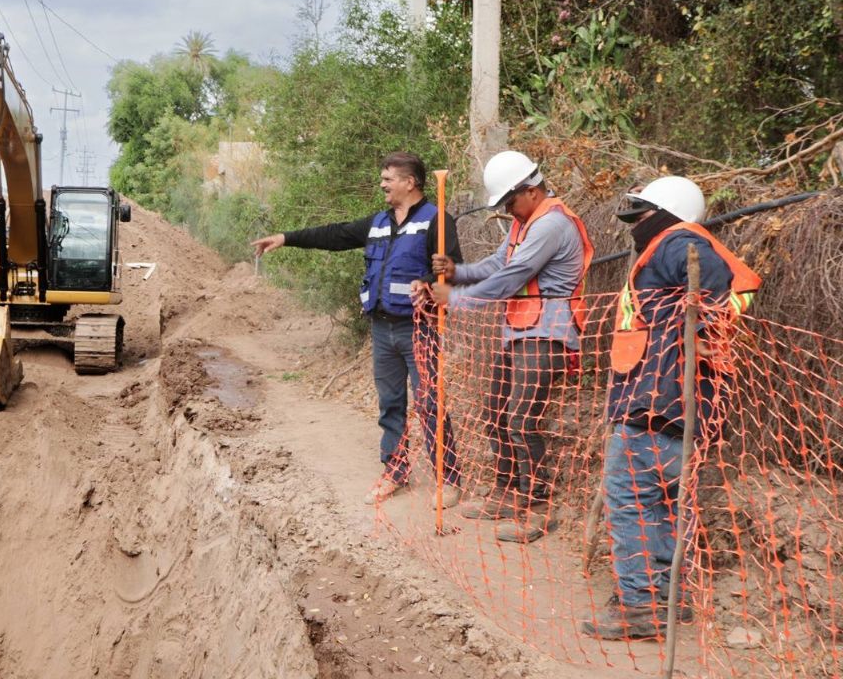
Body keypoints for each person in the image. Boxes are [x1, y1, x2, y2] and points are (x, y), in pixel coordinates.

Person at [581, 176, 760, 640]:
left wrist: (693, 317)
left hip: (657, 403)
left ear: (664, 213)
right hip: (671, 402)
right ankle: (665, 600)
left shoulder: (679, 242)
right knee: (660, 507)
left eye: (640, 215)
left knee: (631, 504)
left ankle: (641, 608)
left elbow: (708, 299)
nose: (635, 225)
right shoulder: (676, 243)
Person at [251, 151, 464, 508]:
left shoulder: (437, 221)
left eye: (388, 178)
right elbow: (335, 235)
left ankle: (449, 479)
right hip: (382, 330)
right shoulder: (378, 222)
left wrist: (428, 280)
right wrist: (286, 238)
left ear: (409, 183)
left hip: (419, 330)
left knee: (430, 403)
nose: (382, 184)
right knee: (391, 404)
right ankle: (395, 471)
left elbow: (453, 272)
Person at [415, 150, 593, 544]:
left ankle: (539, 506)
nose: (508, 209)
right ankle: (508, 492)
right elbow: (497, 264)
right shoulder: (525, 224)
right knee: (494, 410)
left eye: (510, 201)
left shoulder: (551, 226)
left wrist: (455, 299)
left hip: (546, 335)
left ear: (530, 190)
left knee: (522, 421)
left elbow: (512, 277)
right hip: (518, 331)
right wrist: (457, 273)